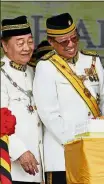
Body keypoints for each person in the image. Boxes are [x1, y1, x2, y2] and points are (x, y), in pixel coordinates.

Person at [33, 13, 104, 184]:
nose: (71, 45)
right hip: (62, 155)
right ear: (51, 42)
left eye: (74, 38)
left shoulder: (93, 61)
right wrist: (76, 144)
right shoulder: (46, 67)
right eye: (64, 42)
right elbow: (49, 115)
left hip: (94, 153)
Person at [1, 15, 43, 184]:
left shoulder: (36, 72)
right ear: (5, 45)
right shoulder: (2, 75)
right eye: (20, 43)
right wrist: (20, 152)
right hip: (12, 168)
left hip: (40, 167)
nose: (27, 48)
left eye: (30, 42)